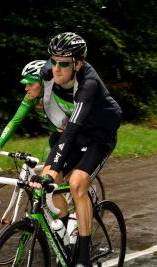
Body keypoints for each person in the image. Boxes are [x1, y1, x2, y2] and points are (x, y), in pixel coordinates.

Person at [29, 32, 122, 267]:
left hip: (100, 135)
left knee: (77, 183)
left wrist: (53, 168)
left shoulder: (88, 84)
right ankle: (66, 235)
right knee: (50, 179)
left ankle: (83, 255)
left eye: (64, 64)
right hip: (77, 132)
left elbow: (70, 131)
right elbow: (35, 95)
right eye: (53, 61)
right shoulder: (48, 72)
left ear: (78, 64)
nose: (56, 69)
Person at [0, 59, 75, 161]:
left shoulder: (59, 95)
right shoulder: (30, 98)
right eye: (26, 84)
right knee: (46, 165)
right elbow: (14, 122)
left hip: (75, 134)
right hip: (56, 136)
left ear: (44, 83)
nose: (26, 88)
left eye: (31, 84)